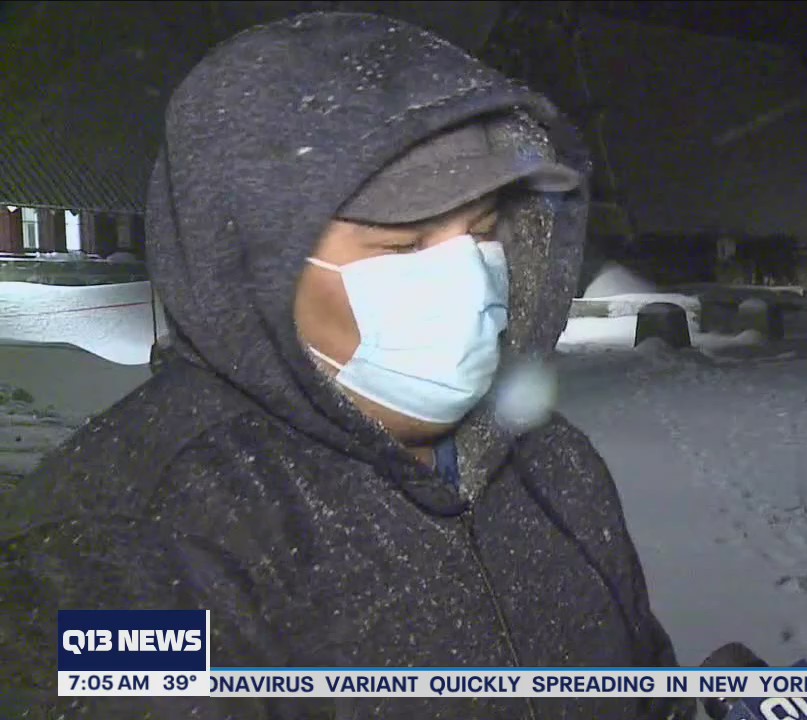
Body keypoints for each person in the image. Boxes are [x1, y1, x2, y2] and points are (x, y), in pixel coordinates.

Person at [0, 12, 691, 720]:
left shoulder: (554, 466)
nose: (471, 279)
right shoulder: (129, 552)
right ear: (253, 266)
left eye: (484, 233)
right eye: (402, 245)